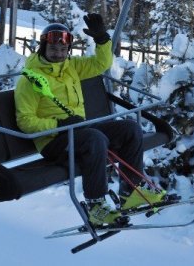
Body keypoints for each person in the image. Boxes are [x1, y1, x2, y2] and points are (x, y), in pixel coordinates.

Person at [14, 13, 166, 225]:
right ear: (43, 48)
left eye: (62, 50)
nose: (58, 54)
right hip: (53, 141)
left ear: (68, 50)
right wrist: (58, 124)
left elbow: (100, 64)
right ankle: (96, 206)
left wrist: (102, 40)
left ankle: (130, 192)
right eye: (53, 49)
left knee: (130, 129)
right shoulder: (30, 79)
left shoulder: (72, 67)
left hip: (80, 131)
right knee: (95, 139)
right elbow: (26, 122)